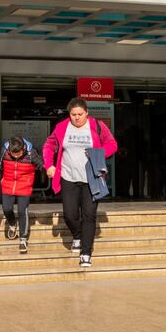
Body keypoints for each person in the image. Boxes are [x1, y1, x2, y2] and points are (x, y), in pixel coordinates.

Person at [44, 98, 117, 268]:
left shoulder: (97, 126)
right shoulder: (62, 127)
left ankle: (86, 252)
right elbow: (49, 146)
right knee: (70, 214)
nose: (77, 118)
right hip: (68, 177)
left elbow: (112, 144)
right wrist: (49, 165)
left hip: (92, 178)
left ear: (87, 113)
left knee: (89, 216)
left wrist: (98, 153)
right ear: (69, 114)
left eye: (80, 114)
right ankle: (77, 235)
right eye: (73, 115)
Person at [0, 136, 42, 254]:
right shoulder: (5, 150)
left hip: (24, 184)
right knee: (6, 209)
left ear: (23, 148)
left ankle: (23, 238)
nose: (15, 156)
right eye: (13, 154)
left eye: (18, 154)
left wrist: (49, 170)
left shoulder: (31, 153)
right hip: (8, 183)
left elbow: (40, 164)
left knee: (22, 211)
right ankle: (12, 224)